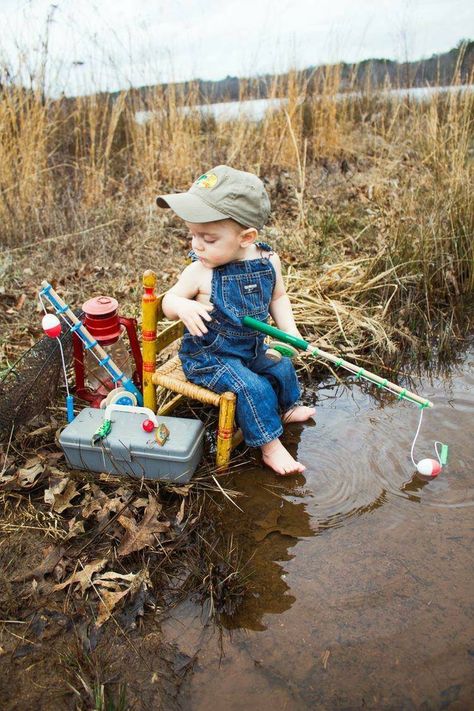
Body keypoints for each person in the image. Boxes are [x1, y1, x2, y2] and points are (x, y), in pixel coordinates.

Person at [157, 165, 315, 475]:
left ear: (247, 237)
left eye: (209, 238)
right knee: (251, 386)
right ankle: (270, 445)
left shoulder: (268, 261)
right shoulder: (200, 271)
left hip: (250, 348)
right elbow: (167, 302)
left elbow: (278, 298)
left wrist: (289, 332)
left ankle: (289, 406)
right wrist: (182, 307)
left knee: (281, 365)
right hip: (208, 357)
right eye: (192, 235)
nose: (196, 245)